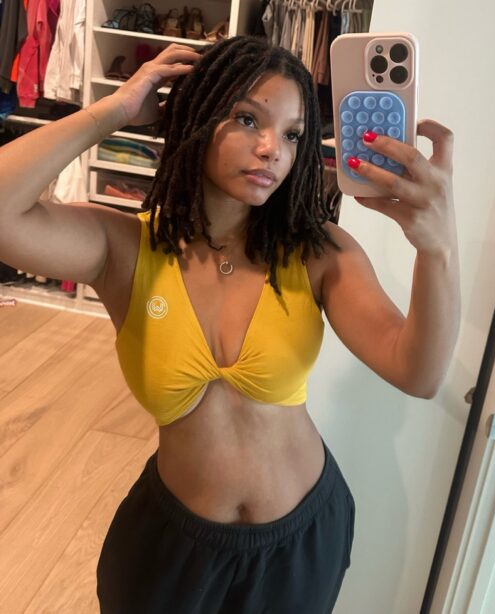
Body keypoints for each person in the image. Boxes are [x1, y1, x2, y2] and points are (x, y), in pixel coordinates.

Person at [0, 35, 459, 613]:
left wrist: (438, 249)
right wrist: (114, 109)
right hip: (174, 547)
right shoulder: (124, 247)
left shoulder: (317, 251)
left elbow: (418, 373)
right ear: (196, 117)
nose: (272, 149)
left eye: (292, 134)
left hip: (300, 541)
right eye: (248, 119)